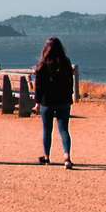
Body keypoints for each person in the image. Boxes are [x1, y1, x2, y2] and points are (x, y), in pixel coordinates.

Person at [32, 37, 76, 169]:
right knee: (64, 130)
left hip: (47, 101)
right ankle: (67, 156)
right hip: (63, 100)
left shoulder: (43, 64)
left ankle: (46, 157)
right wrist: (70, 95)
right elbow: (70, 82)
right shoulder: (66, 62)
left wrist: (37, 103)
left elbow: (39, 86)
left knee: (47, 130)